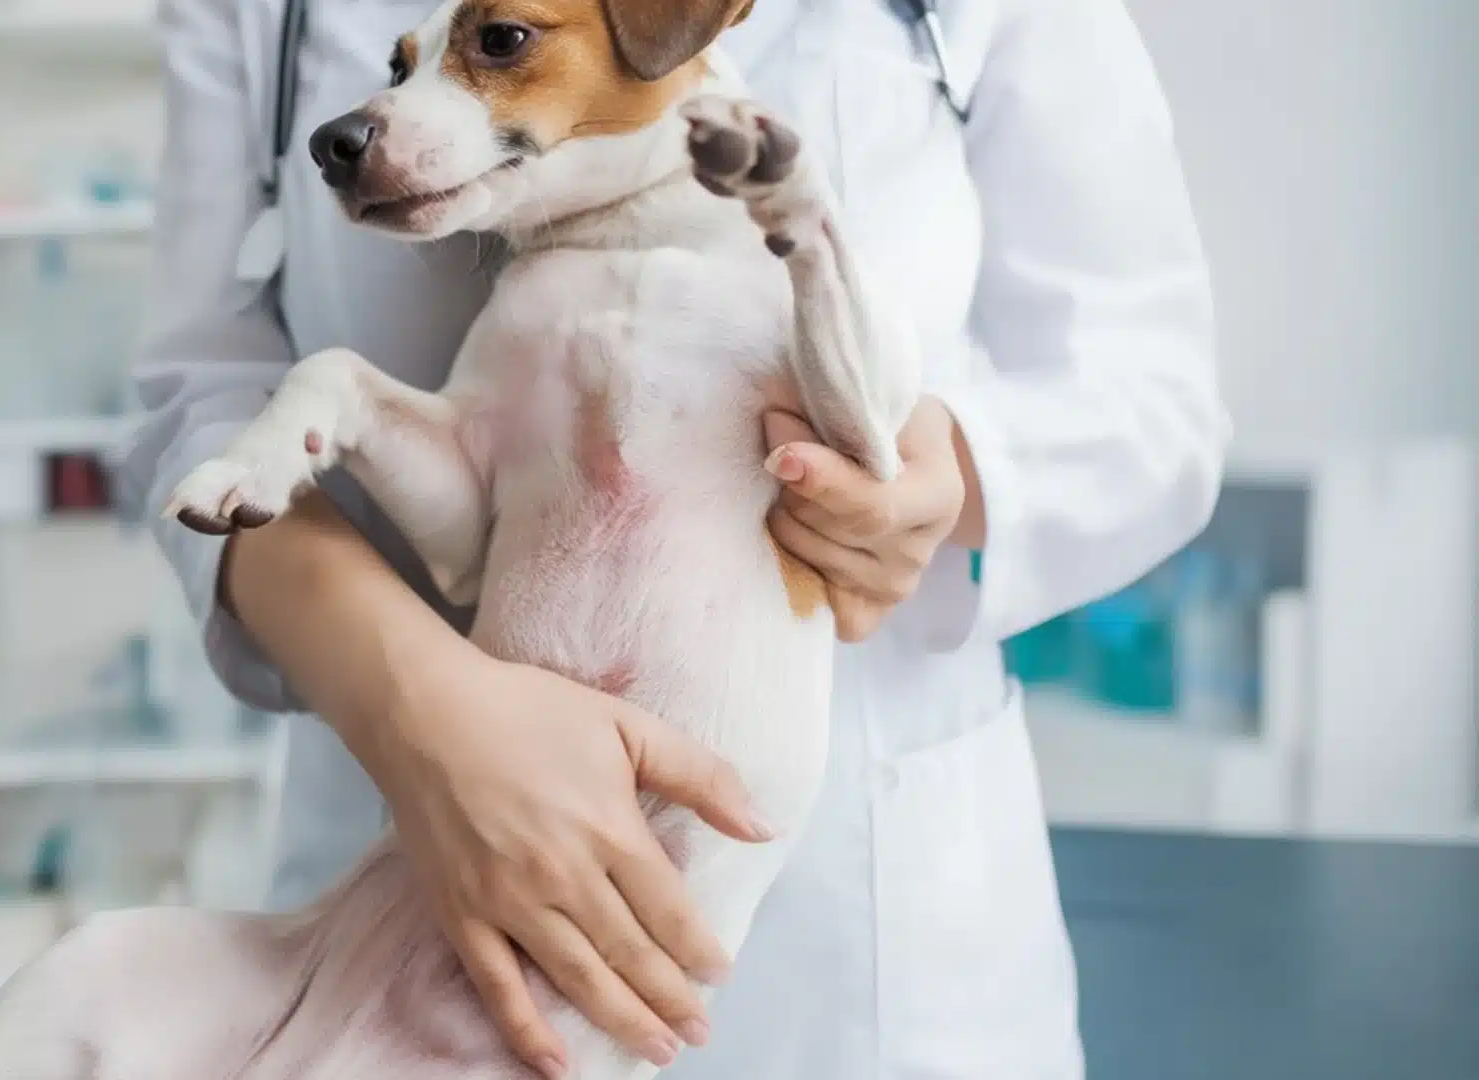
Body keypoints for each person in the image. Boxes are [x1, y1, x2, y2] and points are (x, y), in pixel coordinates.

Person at [120, 0, 1228, 1076]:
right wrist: (411, 703)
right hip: (414, 840)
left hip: (862, 947)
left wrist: (948, 477)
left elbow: (1151, 393)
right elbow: (196, 398)